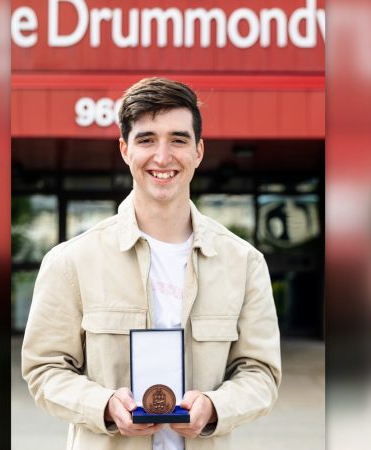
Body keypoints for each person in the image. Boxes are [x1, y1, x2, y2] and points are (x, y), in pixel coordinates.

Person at [22, 77, 281, 450]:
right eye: (146, 140)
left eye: (178, 139)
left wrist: (216, 406)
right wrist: (104, 405)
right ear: (125, 150)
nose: (162, 157)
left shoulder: (244, 263)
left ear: (199, 151)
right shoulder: (71, 262)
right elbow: (44, 370)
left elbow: (261, 374)